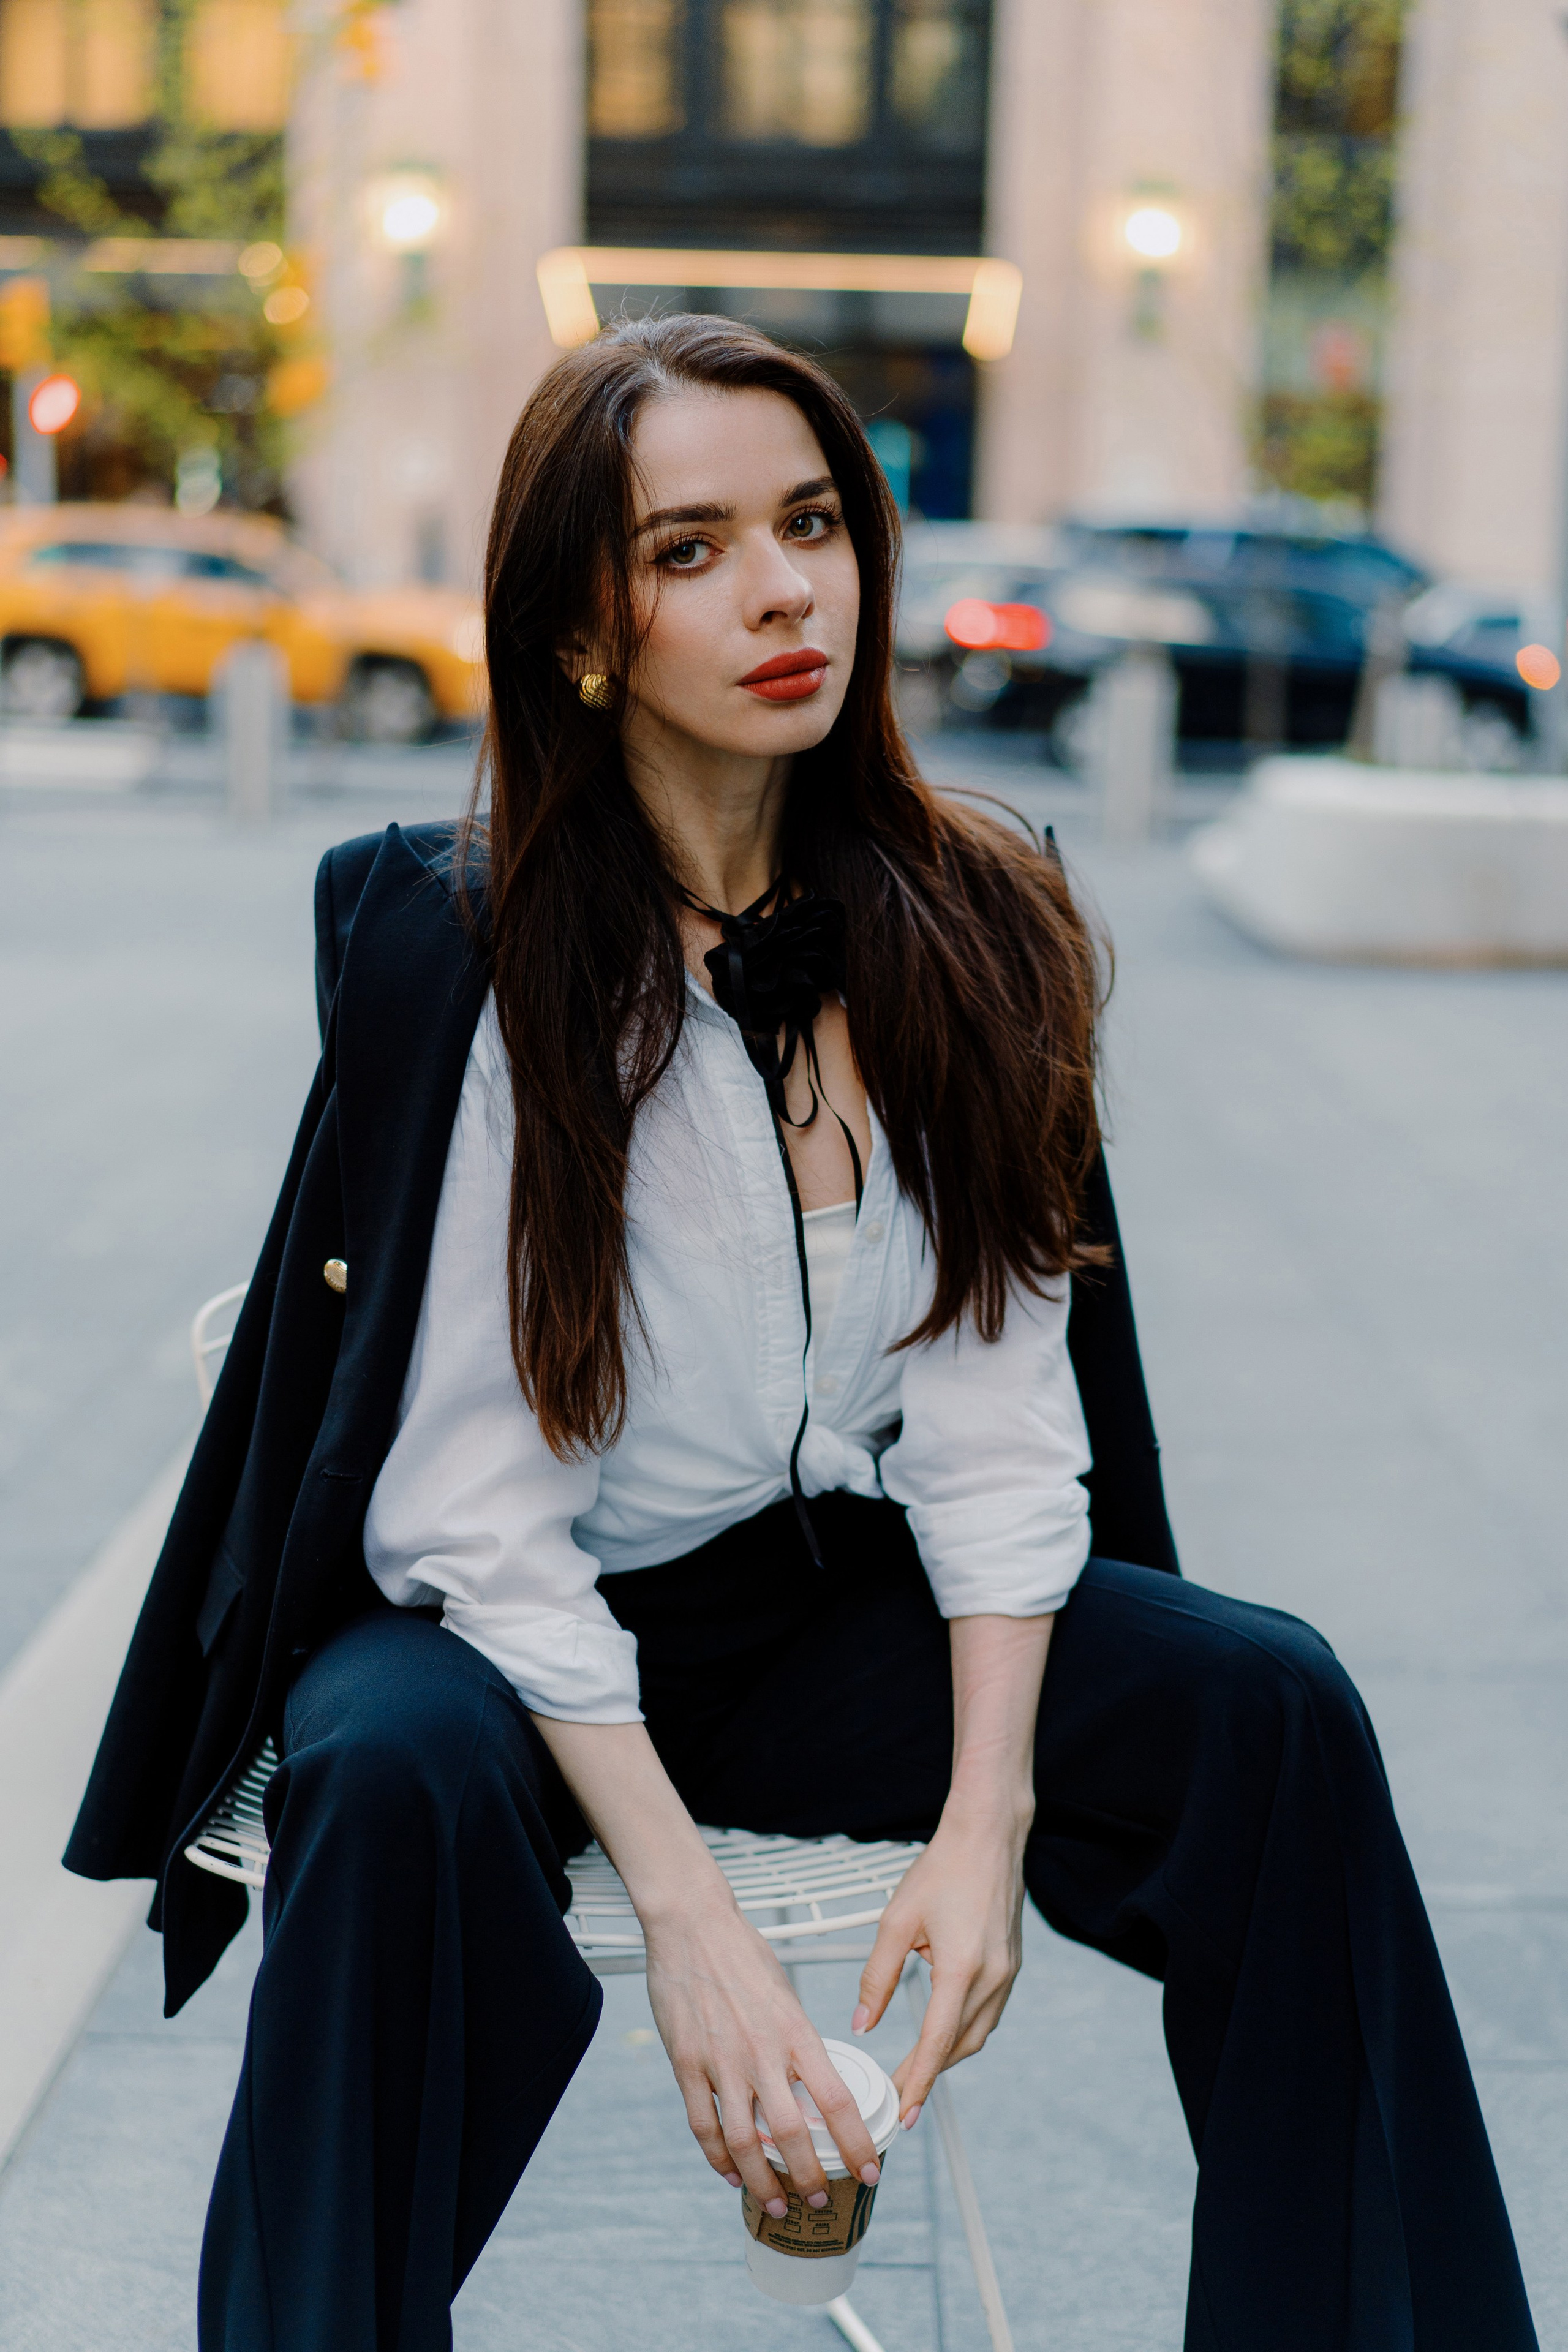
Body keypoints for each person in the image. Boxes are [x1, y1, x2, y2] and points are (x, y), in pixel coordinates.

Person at [66, 316, 1536, 2352]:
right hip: (511, 1635)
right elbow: (477, 1516)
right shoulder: (481, 956)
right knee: (383, 1774)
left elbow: (1003, 1414)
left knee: (1271, 1712)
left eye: (815, 523)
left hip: (820, 1610)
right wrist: (694, 1932)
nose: (783, 590)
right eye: (689, 549)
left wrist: (987, 1813)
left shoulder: (977, 916)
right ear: (584, 630)